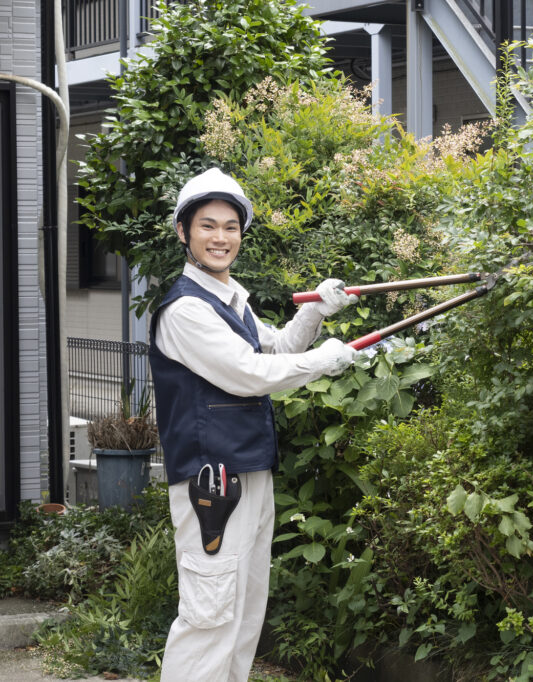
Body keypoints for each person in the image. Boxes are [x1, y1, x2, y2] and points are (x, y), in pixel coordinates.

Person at [149, 168, 358, 681]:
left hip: (249, 472)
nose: (220, 238)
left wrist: (314, 311)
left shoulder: (230, 298)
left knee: (243, 612)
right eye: (207, 226)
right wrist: (325, 361)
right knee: (209, 615)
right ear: (184, 232)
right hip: (211, 486)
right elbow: (248, 374)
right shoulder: (184, 310)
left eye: (230, 227)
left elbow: (278, 347)